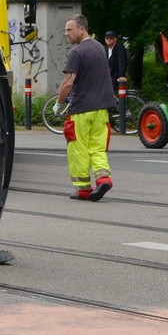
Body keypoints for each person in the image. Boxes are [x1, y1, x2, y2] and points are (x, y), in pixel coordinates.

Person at [51, 14, 117, 201]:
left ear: (82, 29)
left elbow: (68, 82)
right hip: (102, 109)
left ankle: (83, 189)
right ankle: (104, 178)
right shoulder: (99, 48)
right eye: (66, 30)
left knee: (78, 148)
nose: (66, 33)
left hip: (81, 110)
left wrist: (58, 104)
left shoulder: (77, 52)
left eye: (69, 29)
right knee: (97, 148)